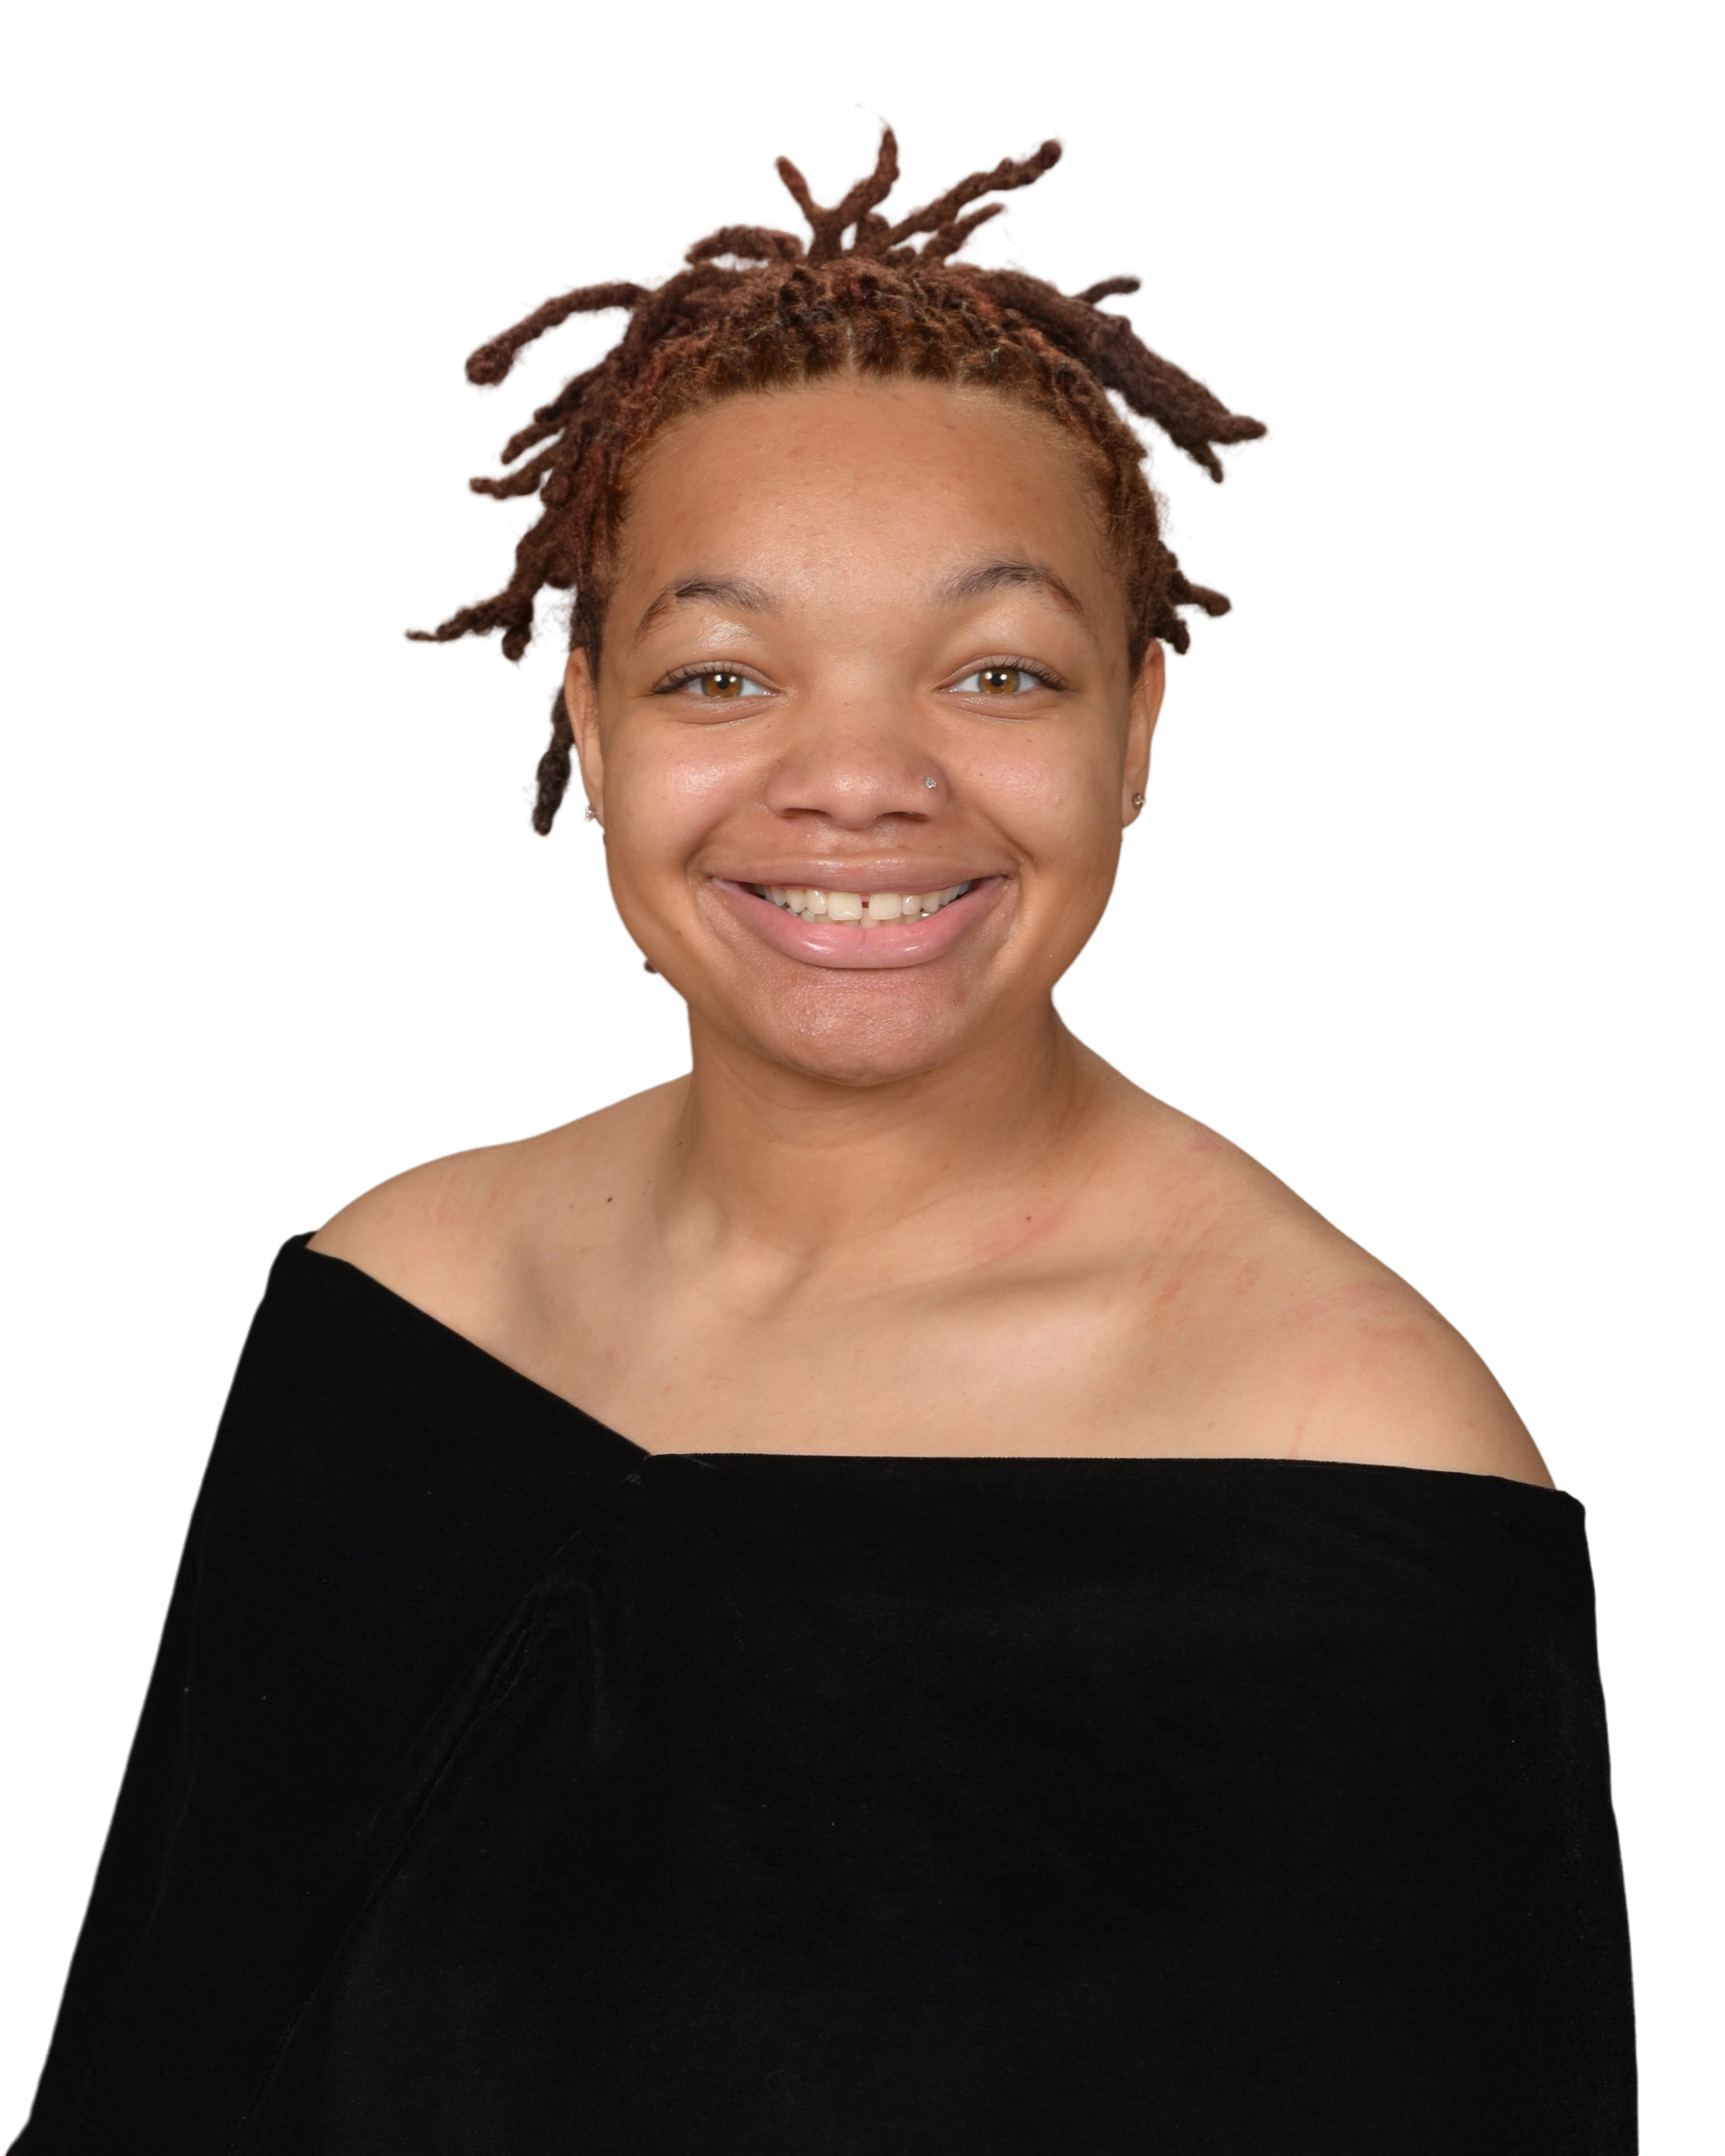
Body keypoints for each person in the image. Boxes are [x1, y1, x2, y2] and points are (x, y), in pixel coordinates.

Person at [14, 115, 1637, 2153]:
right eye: (722, 675)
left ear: (1139, 731)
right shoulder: (393, 1304)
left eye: (995, 672)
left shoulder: (1362, 1466)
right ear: (591, 727)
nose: (856, 777)